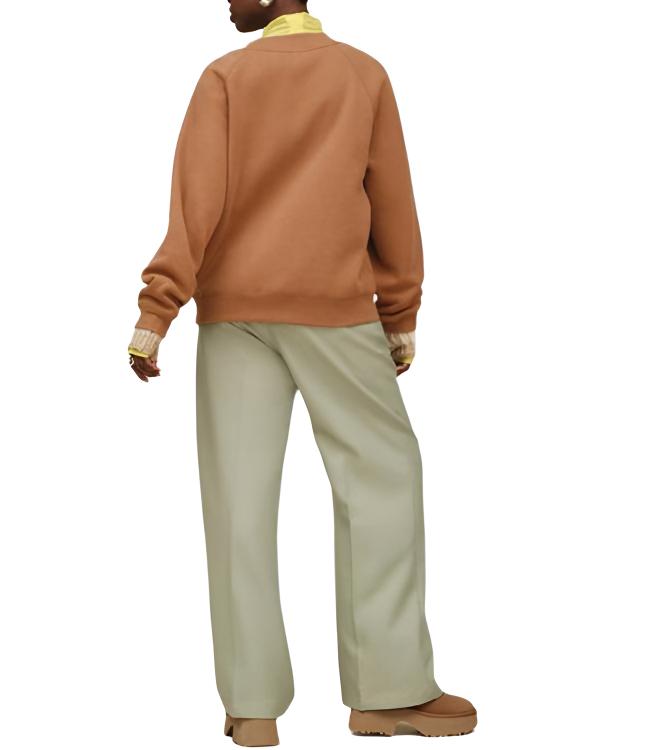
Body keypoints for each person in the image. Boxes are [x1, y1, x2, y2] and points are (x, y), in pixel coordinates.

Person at [128, 1, 476, 745]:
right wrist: (400, 313)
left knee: (237, 502)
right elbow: (392, 200)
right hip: (333, 313)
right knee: (382, 477)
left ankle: (251, 707)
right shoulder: (361, 75)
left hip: (233, 315)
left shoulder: (225, 77)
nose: (226, 1)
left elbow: (195, 203)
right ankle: (387, 691)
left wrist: (158, 311)